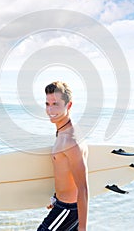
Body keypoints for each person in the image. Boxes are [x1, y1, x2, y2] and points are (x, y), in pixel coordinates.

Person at [37, 81, 89, 231]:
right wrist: (56, 197)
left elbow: (83, 188)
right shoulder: (62, 132)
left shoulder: (71, 141)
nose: (50, 109)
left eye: (56, 104)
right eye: (47, 104)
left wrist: (83, 228)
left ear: (69, 105)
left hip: (68, 209)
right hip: (63, 205)